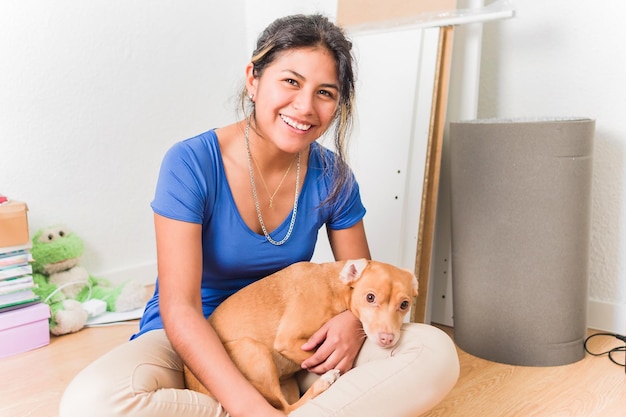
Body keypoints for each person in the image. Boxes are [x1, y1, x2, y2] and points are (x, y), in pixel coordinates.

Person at [59, 13, 459, 417]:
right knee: (91, 403)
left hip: (297, 348)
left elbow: (359, 278)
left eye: (325, 92)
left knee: (434, 353)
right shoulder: (191, 163)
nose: (304, 107)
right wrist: (248, 405)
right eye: (290, 81)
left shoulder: (333, 176)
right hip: (188, 338)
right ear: (253, 79)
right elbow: (180, 308)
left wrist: (350, 327)